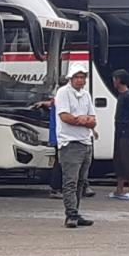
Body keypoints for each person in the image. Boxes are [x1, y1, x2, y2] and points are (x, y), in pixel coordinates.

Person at [55, 62, 96, 228]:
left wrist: (82, 120)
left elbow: (93, 120)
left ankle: (76, 211)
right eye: (77, 77)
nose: (80, 80)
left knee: (81, 181)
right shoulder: (63, 92)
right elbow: (65, 117)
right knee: (70, 181)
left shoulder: (86, 95)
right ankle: (70, 214)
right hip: (70, 143)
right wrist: (82, 120)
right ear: (70, 78)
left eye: (82, 77)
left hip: (86, 142)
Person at [111, 69, 129, 200]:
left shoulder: (128, 95)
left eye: (115, 79)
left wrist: (128, 124)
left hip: (127, 131)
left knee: (128, 159)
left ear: (119, 80)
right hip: (119, 130)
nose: (113, 81)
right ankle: (119, 189)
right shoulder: (121, 95)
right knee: (118, 159)